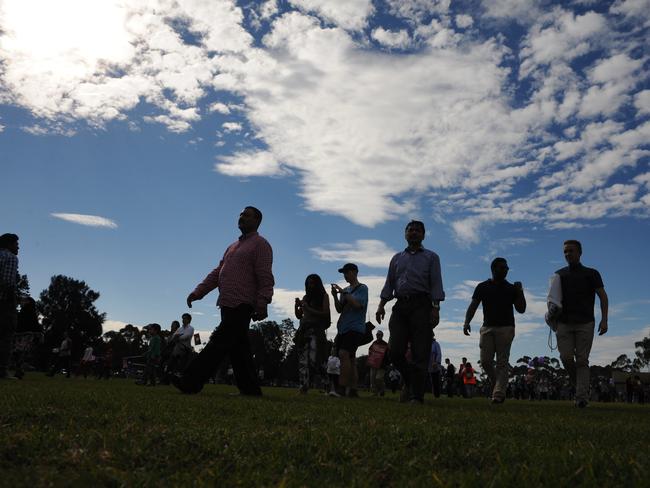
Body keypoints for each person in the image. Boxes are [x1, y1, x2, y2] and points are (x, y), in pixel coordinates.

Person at [175, 206, 274, 395]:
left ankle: (190, 381)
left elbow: (265, 276)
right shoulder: (232, 247)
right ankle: (250, 389)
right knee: (239, 349)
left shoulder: (261, 244)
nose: (241, 217)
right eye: (241, 214)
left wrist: (263, 302)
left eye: (246, 215)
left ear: (257, 221)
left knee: (218, 342)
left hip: (243, 304)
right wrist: (198, 292)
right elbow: (218, 272)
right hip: (226, 303)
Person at [376, 221, 445, 404]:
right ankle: (409, 381)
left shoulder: (431, 257)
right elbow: (389, 283)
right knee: (395, 352)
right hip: (400, 306)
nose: (413, 233)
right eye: (410, 230)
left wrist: (435, 309)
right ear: (405, 234)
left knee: (420, 352)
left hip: (421, 305)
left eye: (417, 230)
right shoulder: (397, 258)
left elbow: (436, 284)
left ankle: (416, 396)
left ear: (423, 235)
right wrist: (381, 305)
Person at [553, 240, 608, 408]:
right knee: (566, 357)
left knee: (582, 360)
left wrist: (604, 319)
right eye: (565, 252)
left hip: (585, 322)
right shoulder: (559, 275)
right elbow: (552, 299)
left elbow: (603, 297)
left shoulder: (591, 273)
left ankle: (581, 397)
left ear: (580, 253)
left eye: (571, 251)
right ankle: (580, 386)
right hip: (564, 323)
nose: (567, 254)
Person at [463, 257, 526, 404]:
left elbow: (521, 309)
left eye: (506, 268)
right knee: (485, 361)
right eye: (502, 268)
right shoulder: (482, 287)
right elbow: (473, 305)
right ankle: (498, 383)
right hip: (487, 327)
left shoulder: (511, 288)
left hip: (506, 328)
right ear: (493, 269)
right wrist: (467, 322)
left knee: (502, 362)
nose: (505, 270)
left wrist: (520, 291)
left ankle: (498, 394)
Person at [331, 263, 368, 398]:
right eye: (344, 273)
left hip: (355, 327)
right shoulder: (345, 290)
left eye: (347, 272)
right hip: (343, 328)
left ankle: (341, 388)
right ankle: (353, 390)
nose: (345, 275)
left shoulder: (362, 288)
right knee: (351, 359)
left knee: (343, 354)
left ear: (355, 272)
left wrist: (344, 293)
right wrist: (335, 296)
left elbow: (358, 305)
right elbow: (340, 309)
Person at [294, 274, 331, 394]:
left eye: (313, 283)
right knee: (303, 360)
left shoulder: (324, 296)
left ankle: (327, 385)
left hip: (317, 330)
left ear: (318, 284)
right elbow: (300, 315)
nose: (310, 285)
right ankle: (303, 386)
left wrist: (308, 309)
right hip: (304, 331)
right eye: (308, 283)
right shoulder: (306, 297)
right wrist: (297, 306)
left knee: (317, 359)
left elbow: (325, 313)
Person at [0, 233, 20, 380]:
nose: (18, 247)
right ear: (9, 244)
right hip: (4, 302)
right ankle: (2, 370)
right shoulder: (11, 258)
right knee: (6, 334)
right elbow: (7, 283)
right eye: (16, 243)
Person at [367, 330, 389, 396]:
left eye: (379, 334)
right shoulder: (374, 343)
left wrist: (386, 362)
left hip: (382, 365)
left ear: (382, 335)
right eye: (377, 334)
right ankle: (374, 392)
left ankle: (382, 390)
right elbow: (370, 350)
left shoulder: (385, 344)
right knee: (372, 379)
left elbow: (388, 354)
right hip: (373, 364)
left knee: (379, 378)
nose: (377, 336)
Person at [428, 333, 442, 398]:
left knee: (435, 381)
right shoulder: (427, 344)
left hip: (435, 365)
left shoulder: (436, 344)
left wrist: (436, 362)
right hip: (428, 365)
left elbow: (439, 354)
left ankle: (437, 395)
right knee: (429, 381)